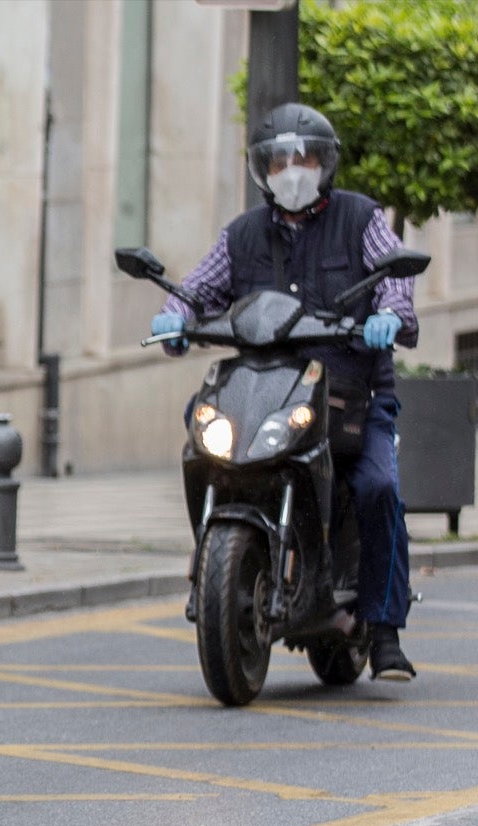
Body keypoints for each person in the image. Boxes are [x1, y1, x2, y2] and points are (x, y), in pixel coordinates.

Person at [152, 102, 418, 683]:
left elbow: (395, 276)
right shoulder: (243, 234)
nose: (292, 170)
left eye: (304, 158)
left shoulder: (360, 218)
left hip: (352, 393)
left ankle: (385, 627)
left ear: (326, 163)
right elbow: (198, 288)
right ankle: (221, 555)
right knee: (199, 435)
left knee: (376, 486)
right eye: (278, 161)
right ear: (261, 170)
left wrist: (390, 317)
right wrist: (174, 316)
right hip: (262, 390)